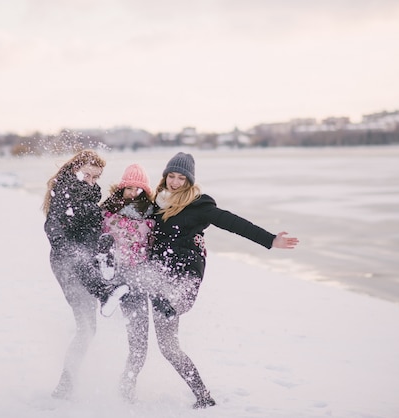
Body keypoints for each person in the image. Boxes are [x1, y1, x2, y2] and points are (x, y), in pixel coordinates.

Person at [148, 152, 300, 409]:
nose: (174, 182)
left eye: (180, 178)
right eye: (171, 176)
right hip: (159, 277)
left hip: (186, 276)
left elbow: (233, 223)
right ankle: (203, 396)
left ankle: (169, 303)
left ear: (189, 180)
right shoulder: (156, 204)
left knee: (172, 304)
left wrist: (270, 239)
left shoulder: (199, 206)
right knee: (168, 348)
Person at [42, 149, 128, 399]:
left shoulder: (89, 194)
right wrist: (66, 247)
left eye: (96, 177)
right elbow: (52, 225)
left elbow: (91, 223)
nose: (91, 181)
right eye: (87, 174)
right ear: (75, 169)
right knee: (87, 326)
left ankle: (65, 385)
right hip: (66, 261)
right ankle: (105, 293)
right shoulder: (65, 190)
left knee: (88, 328)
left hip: (86, 259)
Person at [98, 163, 157, 402]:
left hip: (140, 278)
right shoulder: (107, 210)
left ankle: (128, 381)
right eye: (128, 187)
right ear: (121, 187)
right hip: (115, 275)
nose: (133, 193)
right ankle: (108, 288)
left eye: (138, 188)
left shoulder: (152, 213)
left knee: (139, 340)